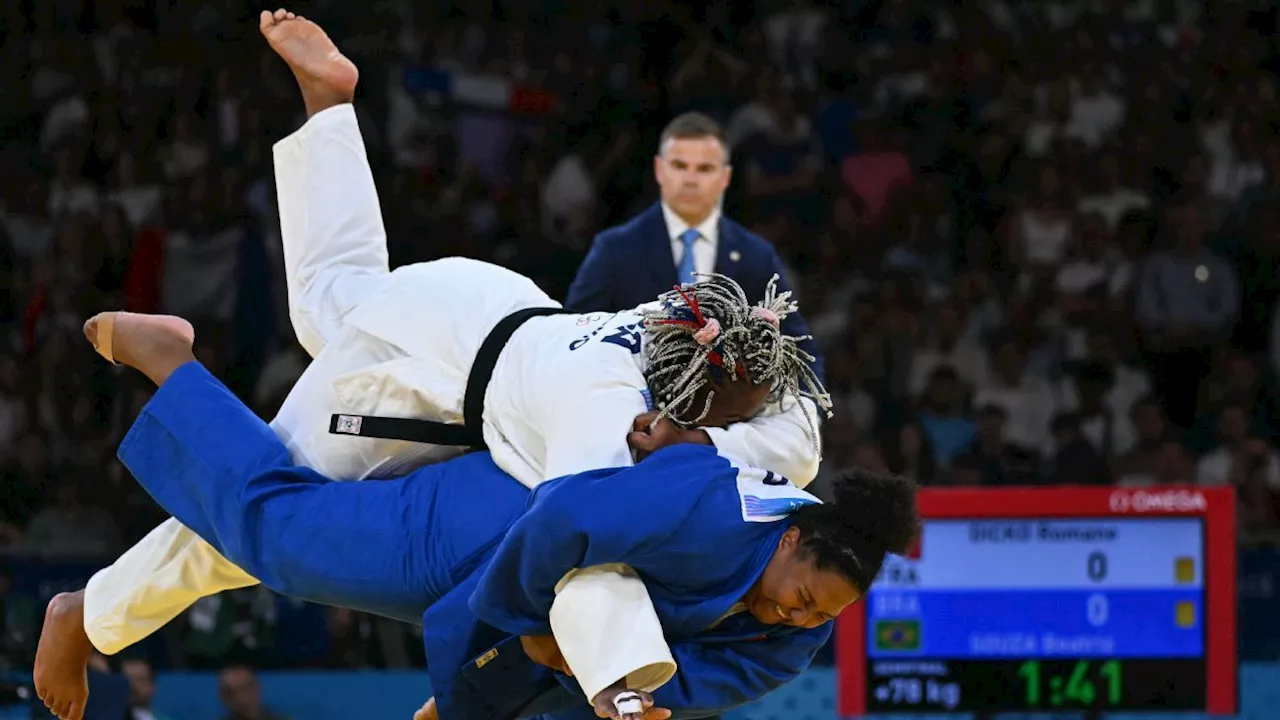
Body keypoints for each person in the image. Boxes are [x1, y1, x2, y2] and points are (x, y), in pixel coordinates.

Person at [33, 10, 832, 718]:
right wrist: (616, 685)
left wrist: (715, 443)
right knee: (258, 520)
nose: (743, 426)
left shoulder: (684, 326)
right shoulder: (603, 411)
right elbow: (585, 558)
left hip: (476, 301)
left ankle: (329, 108)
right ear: (691, 399)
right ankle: (93, 605)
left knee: (330, 302)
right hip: (427, 387)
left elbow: (788, 419)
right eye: (733, 416)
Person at [84, 314, 917, 720]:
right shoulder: (712, 502)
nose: (793, 618)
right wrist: (511, 633)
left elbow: (696, 685)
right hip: (499, 524)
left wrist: (580, 683)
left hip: (532, 595)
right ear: (794, 534)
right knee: (285, 543)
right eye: (803, 596)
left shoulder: (801, 624)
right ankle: (173, 364)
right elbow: (566, 521)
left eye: (821, 619)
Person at [565, 112, 825, 388]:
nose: (691, 179)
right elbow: (575, 340)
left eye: (704, 169)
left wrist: (798, 425)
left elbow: (799, 352)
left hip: (729, 423)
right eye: (680, 166)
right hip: (631, 416)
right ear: (659, 170)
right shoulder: (615, 249)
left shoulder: (755, 254)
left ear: (725, 177)